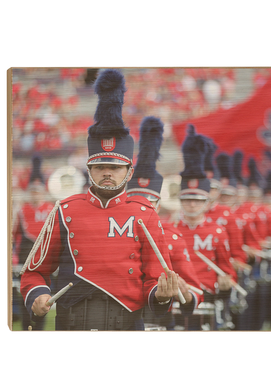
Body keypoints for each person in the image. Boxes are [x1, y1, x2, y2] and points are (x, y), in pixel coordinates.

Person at [19, 69, 178, 331]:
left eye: (115, 168)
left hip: (126, 323)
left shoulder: (145, 213)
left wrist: (160, 295)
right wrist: (37, 296)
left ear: (129, 171)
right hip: (72, 323)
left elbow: (155, 279)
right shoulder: (64, 210)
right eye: (100, 166)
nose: (107, 172)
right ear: (89, 169)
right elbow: (34, 271)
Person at [127, 116, 202, 329]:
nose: (142, 209)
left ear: (158, 205)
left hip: (157, 319)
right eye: (135, 202)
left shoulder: (172, 236)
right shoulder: (110, 232)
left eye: (149, 203)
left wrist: (184, 292)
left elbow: (194, 288)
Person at [174, 124, 237, 329]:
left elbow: (226, 270)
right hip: (175, 298)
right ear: (181, 201)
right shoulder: (169, 229)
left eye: (197, 200)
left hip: (207, 295)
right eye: (187, 199)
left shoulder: (217, 232)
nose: (192, 204)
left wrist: (226, 282)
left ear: (206, 202)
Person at [13, 154, 54, 330]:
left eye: (38, 190)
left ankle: (39, 329)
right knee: (24, 297)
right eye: (32, 191)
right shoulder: (22, 211)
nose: (35, 194)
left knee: (43, 298)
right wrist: (13, 256)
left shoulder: (51, 210)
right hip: (25, 260)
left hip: (45, 261)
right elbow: (13, 236)